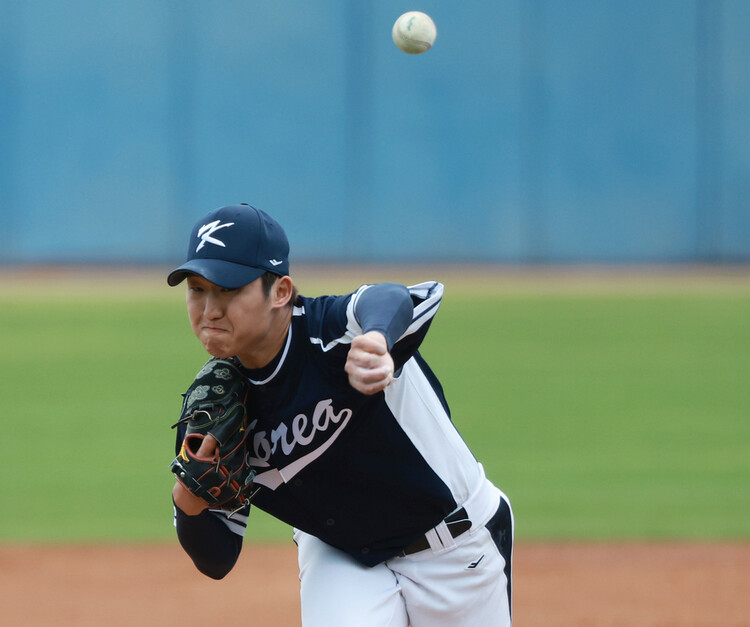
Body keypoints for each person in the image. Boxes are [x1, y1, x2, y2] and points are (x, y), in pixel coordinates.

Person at [166, 203, 513, 627]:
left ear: (280, 291)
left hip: (454, 546)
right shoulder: (216, 409)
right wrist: (188, 497)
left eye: (228, 289)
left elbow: (395, 297)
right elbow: (218, 559)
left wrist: (377, 340)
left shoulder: (333, 333)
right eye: (197, 289)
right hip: (341, 556)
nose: (209, 309)